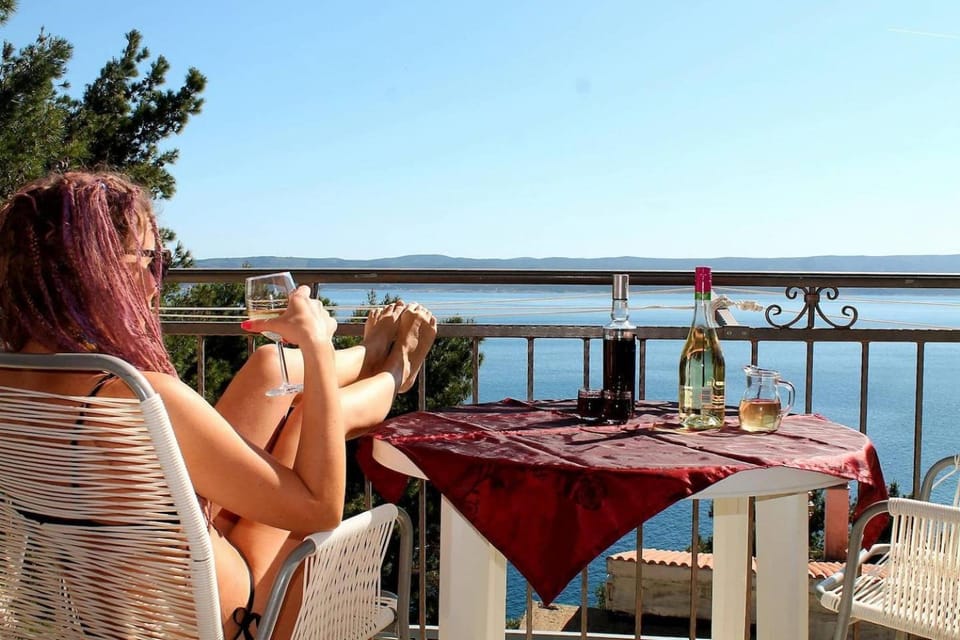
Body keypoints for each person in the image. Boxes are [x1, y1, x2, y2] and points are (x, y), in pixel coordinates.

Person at [0, 170, 437, 639]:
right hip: (231, 613)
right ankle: (395, 372)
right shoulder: (135, 396)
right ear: (92, 269)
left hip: (115, 594)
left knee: (270, 366)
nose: (155, 282)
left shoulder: (16, 382)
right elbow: (318, 509)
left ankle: (370, 354)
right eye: (149, 261)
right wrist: (314, 343)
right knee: (306, 420)